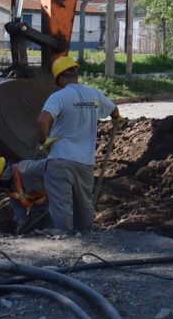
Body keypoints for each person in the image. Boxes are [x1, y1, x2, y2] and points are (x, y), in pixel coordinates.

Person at [36, 56, 120, 235]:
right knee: (84, 203)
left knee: (61, 204)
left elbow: (43, 119)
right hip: (85, 162)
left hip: (60, 159)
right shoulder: (94, 94)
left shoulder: (59, 96)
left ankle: (64, 240)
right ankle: (87, 237)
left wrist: (44, 141)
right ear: (76, 75)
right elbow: (114, 111)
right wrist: (116, 120)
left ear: (59, 79)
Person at [0, 155, 50, 233]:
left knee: (59, 228)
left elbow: (53, 165)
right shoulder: (10, 187)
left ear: (2, 174)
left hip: (57, 201)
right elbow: (18, 209)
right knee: (35, 230)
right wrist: (21, 224)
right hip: (38, 208)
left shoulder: (27, 169)